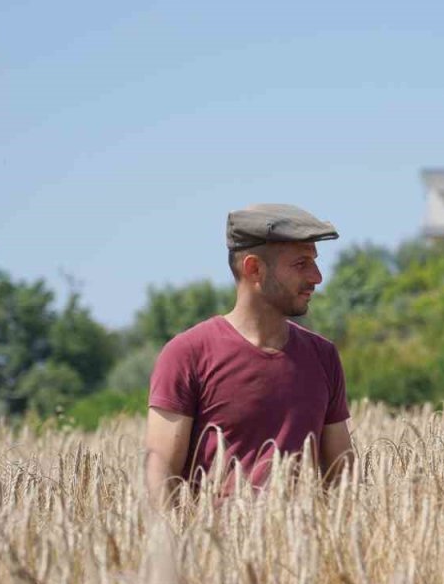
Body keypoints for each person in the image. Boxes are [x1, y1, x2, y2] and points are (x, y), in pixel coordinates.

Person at [144, 203, 354, 507]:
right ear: (254, 268)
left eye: (315, 262)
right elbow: (160, 478)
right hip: (213, 551)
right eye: (301, 264)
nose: (317, 277)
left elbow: (342, 478)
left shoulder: (323, 356)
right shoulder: (187, 354)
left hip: (303, 552)